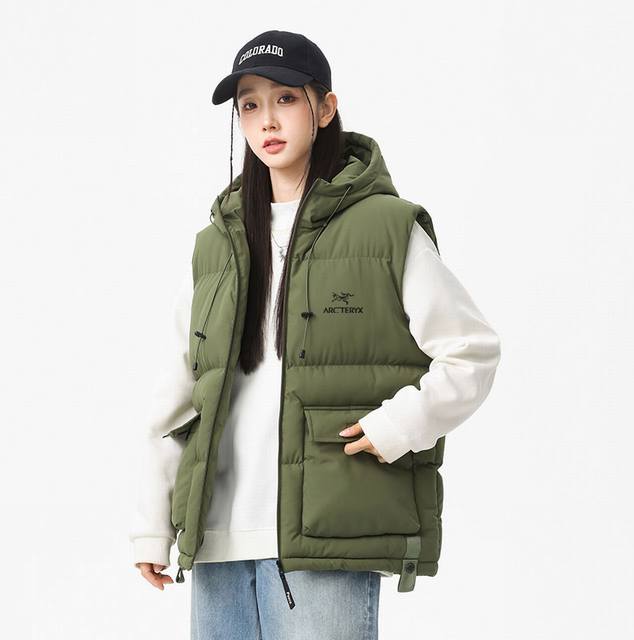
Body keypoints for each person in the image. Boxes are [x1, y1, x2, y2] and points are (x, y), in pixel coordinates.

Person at [129, 29, 501, 640]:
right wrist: (152, 525)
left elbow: (472, 352)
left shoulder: (386, 229)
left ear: (325, 108)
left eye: (286, 99)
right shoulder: (216, 246)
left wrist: (398, 427)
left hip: (327, 540)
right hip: (218, 542)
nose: (267, 120)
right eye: (250, 105)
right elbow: (177, 401)